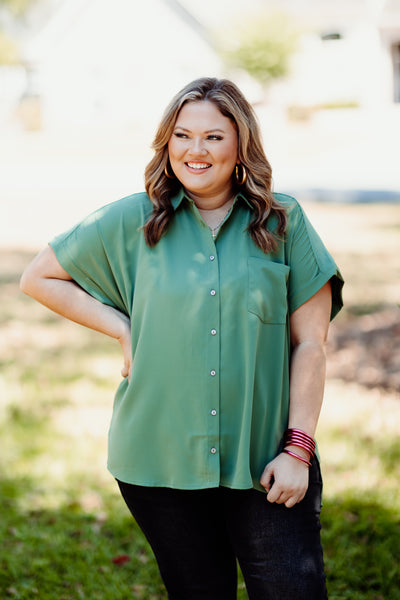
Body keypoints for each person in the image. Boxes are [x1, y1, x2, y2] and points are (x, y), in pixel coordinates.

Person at [20, 77, 344, 600]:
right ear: (166, 143)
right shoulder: (131, 219)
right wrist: (120, 327)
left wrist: (298, 449)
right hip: (159, 463)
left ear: (240, 143)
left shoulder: (284, 222)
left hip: (267, 459)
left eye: (214, 137)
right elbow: (39, 277)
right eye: (182, 135)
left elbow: (311, 345)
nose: (196, 150)